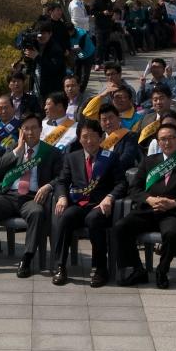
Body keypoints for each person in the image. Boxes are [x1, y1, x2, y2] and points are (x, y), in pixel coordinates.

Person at [116, 122, 176, 289]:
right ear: (157, 142)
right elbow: (134, 188)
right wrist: (149, 199)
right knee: (121, 227)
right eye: (162, 139)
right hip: (148, 209)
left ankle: (162, 270)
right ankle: (137, 269)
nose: (167, 142)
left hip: (174, 212)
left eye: (171, 138)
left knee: (172, 233)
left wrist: (174, 203)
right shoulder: (149, 161)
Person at [0, 115, 61, 278]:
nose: (30, 132)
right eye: (26, 128)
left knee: (37, 213)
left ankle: (26, 259)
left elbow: (61, 177)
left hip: (32, 197)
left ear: (40, 130)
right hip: (10, 196)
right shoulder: (14, 148)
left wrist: (48, 186)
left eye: (34, 128)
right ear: (21, 131)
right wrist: (18, 150)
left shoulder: (51, 152)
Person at [51, 118, 125, 288]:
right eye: (85, 137)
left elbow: (121, 183)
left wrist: (110, 197)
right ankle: (60, 266)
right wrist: (62, 197)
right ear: (79, 139)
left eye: (93, 137)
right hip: (79, 204)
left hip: (101, 206)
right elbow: (62, 181)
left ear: (100, 138)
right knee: (66, 217)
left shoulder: (111, 157)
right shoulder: (72, 157)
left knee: (93, 219)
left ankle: (100, 268)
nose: (89, 141)